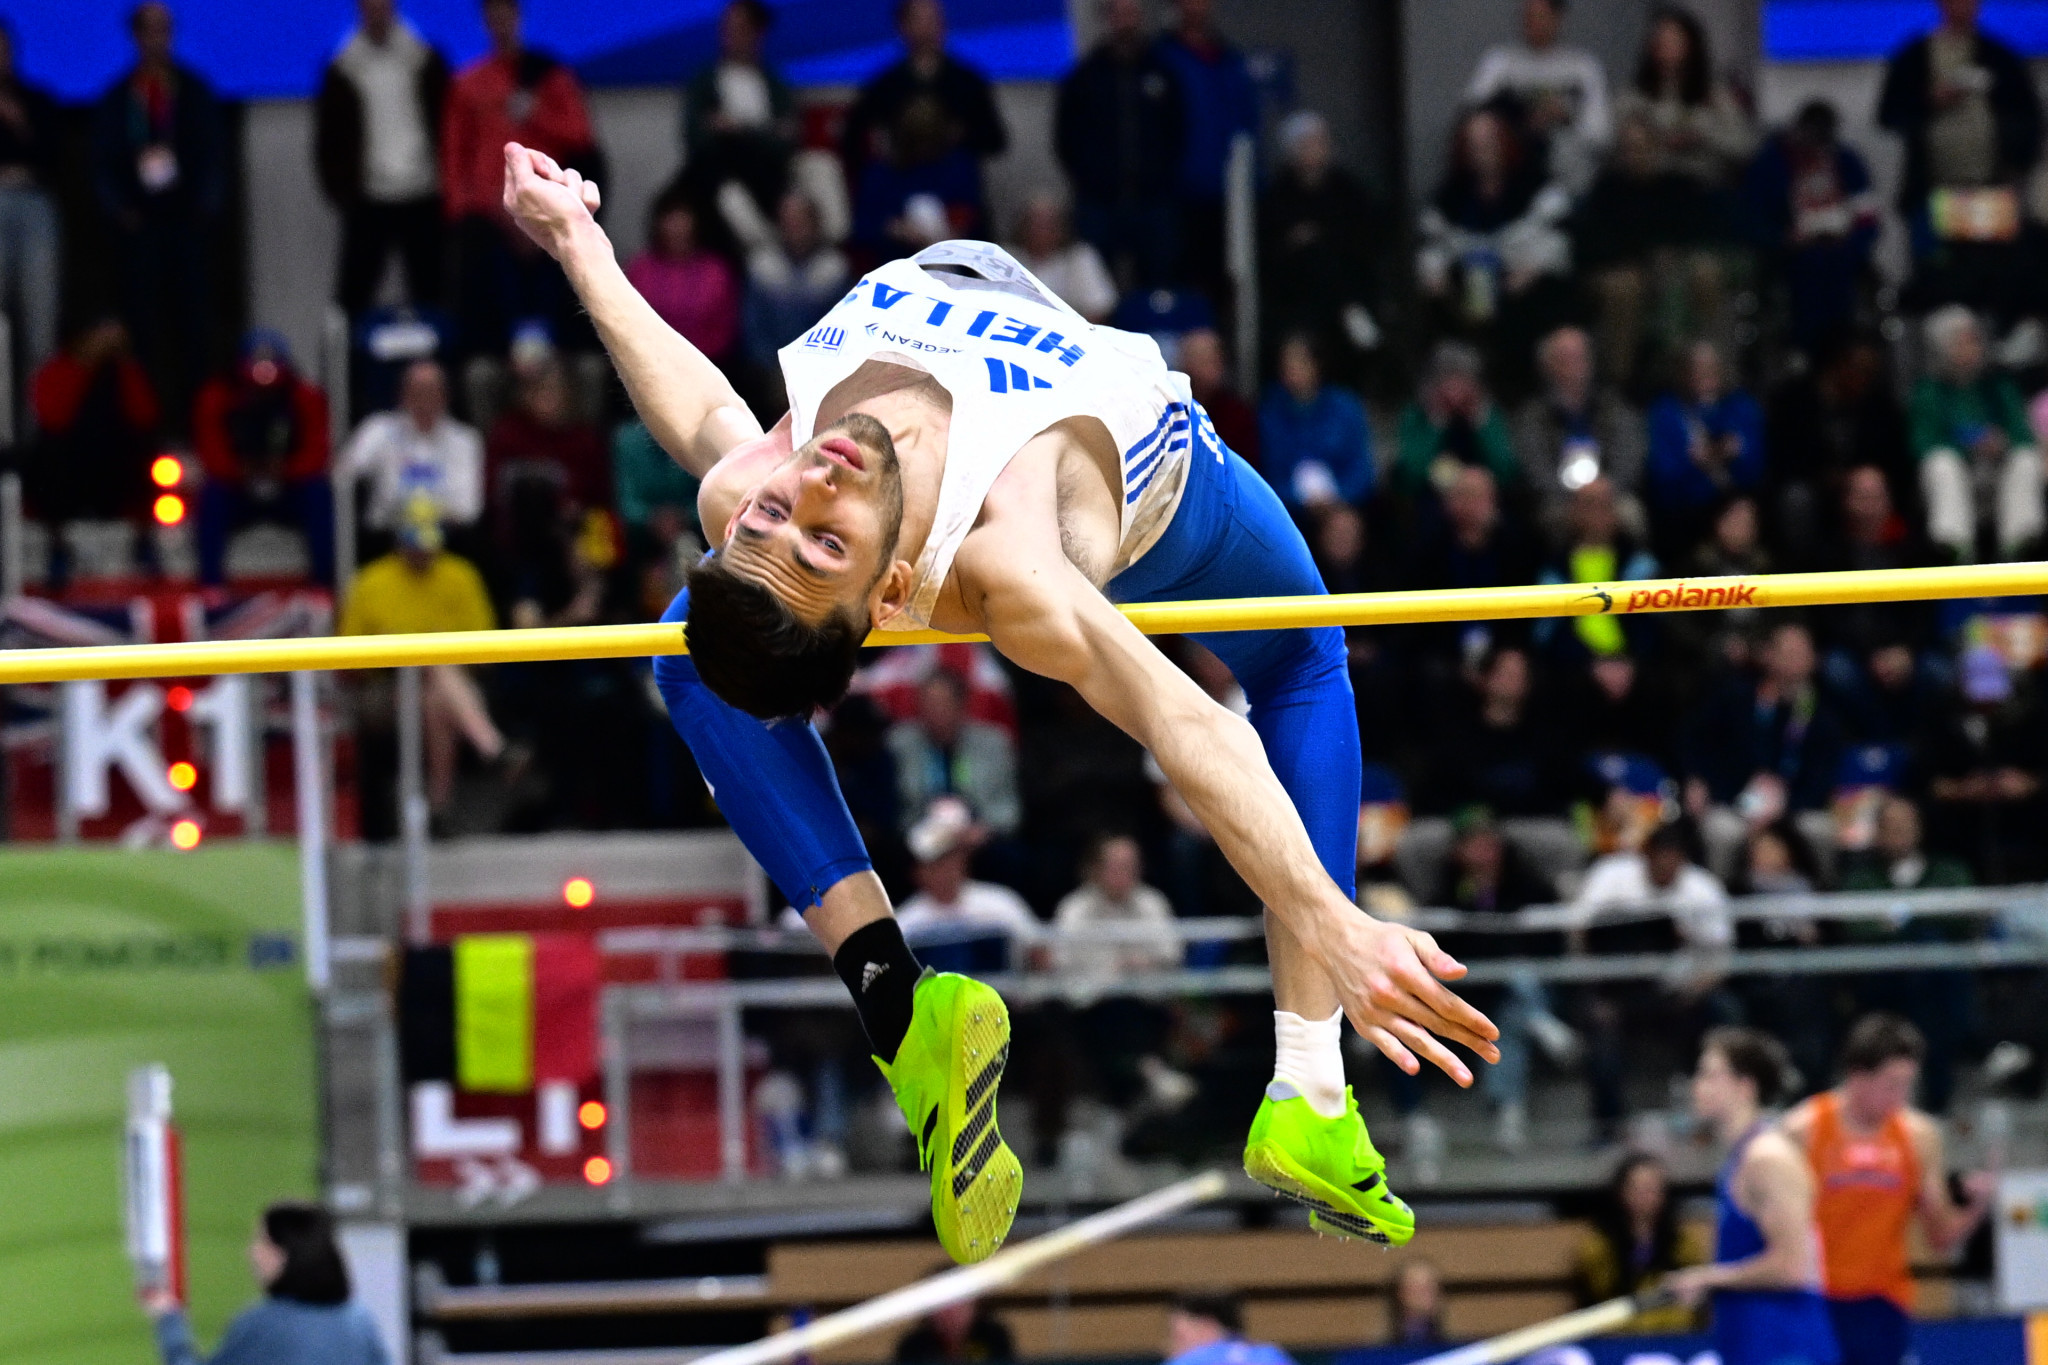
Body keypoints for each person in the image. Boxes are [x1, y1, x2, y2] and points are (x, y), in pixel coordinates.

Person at [503, 144, 1499, 1259]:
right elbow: (1192, 724)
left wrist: (576, 241)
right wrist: (1334, 923)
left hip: (982, 299)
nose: (808, 486)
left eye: (778, 520)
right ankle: (1310, 1094)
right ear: (887, 591)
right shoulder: (1013, 562)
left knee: (695, 651)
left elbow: (699, 413)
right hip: (1173, 509)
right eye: (824, 538)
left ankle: (899, 1014)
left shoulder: (755, 494)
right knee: (1303, 663)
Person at [1782, 1014, 1994, 1365]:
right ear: (1857, 1076)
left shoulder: (1918, 1137)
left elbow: (1940, 1236)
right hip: (1813, 1300)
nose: (1901, 1096)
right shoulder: (1803, 1131)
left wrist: (1977, 1206)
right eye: (1891, 1084)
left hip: (1881, 1304)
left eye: (1908, 1085)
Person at [1666, 1028, 1840, 1365]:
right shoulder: (1739, 1159)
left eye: (1709, 1075)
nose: (1697, 1086)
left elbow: (1791, 1266)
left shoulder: (1768, 1159)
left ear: (1744, 1086)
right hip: (1751, 1345)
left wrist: (1708, 1278)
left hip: (1787, 1349)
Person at [441, 0, 597, 354]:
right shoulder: (468, 84)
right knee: (474, 275)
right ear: (484, 20)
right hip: (488, 214)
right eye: (492, 14)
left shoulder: (547, 76)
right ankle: (483, 360)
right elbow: (455, 157)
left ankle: (572, 362)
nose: (500, 21)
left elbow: (580, 135)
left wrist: (535, 113)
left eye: (506, 13)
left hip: (548, 205)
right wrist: (471, 212)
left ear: (518, 16)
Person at [93, 1, 225, 414]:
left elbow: (213, 155)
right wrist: (121, 211)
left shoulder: (193, 91)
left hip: (185, 225)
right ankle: (147, 426)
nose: (156, 39)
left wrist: (203, 209)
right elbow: (102, 161)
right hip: (141, 229)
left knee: (194, 328)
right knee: (142, 330)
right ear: (135, 36)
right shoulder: (119, 97)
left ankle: (197, 423)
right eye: (148, 30)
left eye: (163, 29)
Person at [340, 496, 507, 814]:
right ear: (399, 540)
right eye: (415, 544)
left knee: (435, 696)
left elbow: (487, 653)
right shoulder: (371, 581)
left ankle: (436, 809)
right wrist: (398, 655)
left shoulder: (461, 575)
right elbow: (348, 661)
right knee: (433, 674)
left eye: (429, 544)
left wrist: (436, 655)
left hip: (452, 681)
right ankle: (490, 746)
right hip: (385, 687)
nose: (423, 553)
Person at [1878, 0, 2043, 318]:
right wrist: (1930, 101)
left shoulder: (1998, 55)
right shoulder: (1916, 55)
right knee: (1937, 281)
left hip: (1987, 189)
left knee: (1996, 280)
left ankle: (1989, 359)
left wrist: (2016, 162)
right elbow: (1889, 114)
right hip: (1933, 192)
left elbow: (2029, 117)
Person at [1417, 105, 1573, 380]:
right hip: (1470, 285)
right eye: (1473, 145)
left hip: (1527, 283)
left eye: (1489, 142)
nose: (1482, 151)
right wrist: (1433, 274)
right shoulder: (1450, 196)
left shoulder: (1536, 187)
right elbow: (1432, 246)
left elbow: (1560, 241)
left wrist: (1534, 268)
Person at [316, 0, 450, 317]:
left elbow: (446, 123)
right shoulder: (342, 67)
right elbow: (328, 139)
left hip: (423, 191)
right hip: (369, 198)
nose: (376, 9)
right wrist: (343, 190)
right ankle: (349, 366)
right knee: (353, 298)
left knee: (433, 292)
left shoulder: (424, 59)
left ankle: (438, 366)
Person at [841, 0, 1007, 252]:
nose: (929, 28)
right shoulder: (884, 86)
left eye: (935, 20)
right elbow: (853, 141)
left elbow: (995, 140)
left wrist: (960, 137)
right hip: (897, 190)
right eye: (920, 20)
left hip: (953, 187)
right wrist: (894, 225)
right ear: (903, 26)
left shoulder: (967, 82)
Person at [144, 1202, 390, 1365]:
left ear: (283, 1254)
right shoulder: (360, 1321)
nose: (251, 1252)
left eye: (261, 1241)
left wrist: (169, 1321)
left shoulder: (264, 1325)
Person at [1055, 0, 1183, 292]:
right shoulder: (1085, 75)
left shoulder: (1163, 72)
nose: (1126, 21)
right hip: (1099, 202)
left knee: (1158, 283)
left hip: (1153, 200)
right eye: (1119, 13)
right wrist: (1090, 179)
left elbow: (1178, 132)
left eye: (1132, 13)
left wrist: (1161, 177)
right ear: (1108, 19)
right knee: (1098, 288)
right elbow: (1066, 138)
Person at [191, 329, 336, 585]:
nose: (264, 373)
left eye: (271, 363)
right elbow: (210, 452)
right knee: (211, 496)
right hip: (238, 488)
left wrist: (284, 470)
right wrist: (241, 471)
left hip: (289, 488)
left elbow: (317, 452)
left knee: (319, 493)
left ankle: (323, 584)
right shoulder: (217, 395)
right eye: (256, 362)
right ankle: (210, 587)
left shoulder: (305, 396)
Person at [24, 318, 159, 579]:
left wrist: (124, 363)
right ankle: (58, 549)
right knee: (47, 454)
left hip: (112, 472)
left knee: (146, 451)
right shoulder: (57, 369)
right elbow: (53, 419)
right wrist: (83, 368)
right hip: (72, 473)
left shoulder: (124, 371)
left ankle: (144, 544)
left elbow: (146, 416)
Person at [1261, 110, 1389, 385]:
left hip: (1346, 278)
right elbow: (1272, 253)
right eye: (1306, 144)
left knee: (1323, 257)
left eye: (1320, 142)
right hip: (1296, 291)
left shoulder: (1349, 190)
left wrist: (1320, 236)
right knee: (1313, 259)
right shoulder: (1278, 196)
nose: (1315, 151)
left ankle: (1346, 310)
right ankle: (1348, 311)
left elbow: (1366, 239)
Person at [1743, 103, 1881, 352]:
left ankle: (1840, 349)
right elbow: (1753, 218)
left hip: (1842, 252)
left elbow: (1868, 219)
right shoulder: (1772, 163)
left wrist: (1852, 242)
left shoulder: (1847, 162)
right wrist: (1782, 238)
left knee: (1837, 266)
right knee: (1810, 267)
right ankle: (1805, 350)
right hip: (1791, 257)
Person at [1910, 305, 2041, 561]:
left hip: (1997, 476)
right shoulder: (1928, 392)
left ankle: (2016, 550)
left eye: (1973, 341)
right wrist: (1968, 445)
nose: (1969, 350)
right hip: (1955, 481)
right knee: (1941, 464)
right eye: (1959, 343)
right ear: (1941, 348)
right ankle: (1958, 552)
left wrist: (2002, 443)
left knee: (2026, 459)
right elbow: (1921, 444)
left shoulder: (1999, 387)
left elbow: (2024, 436)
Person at [1153, 0, 1258, 301]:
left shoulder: (1230, 60)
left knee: (1227, 280)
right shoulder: (1163, 58)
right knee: (1178, 275)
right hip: (1175, 195)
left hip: (1228, 195)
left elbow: (1245, 126)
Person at [1513, 325, 1645, 541]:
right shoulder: (1533, 415)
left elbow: (1630, 453)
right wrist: (1577, 498)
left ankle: (1637, 571)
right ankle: (1556, 573)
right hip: (1559, 499)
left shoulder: (1612, 405)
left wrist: (1606, 490)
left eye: (1580, 357)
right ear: (1548, 366)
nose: (1575, 366)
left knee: (1632, 513)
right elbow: (1533, 465)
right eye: (1565, 358)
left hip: (1610, 494)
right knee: (1548, 519)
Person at [1466, 0, 1611, 194]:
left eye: (1540, 16)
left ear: (1557, 18)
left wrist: (1566, 117)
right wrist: (1521, 119)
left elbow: (1601, 136)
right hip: (1512, 172)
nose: (1532, 23)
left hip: (1568, 177)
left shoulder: (1583, 68)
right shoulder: (1500, 63)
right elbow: (1471, 117)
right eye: (1527, 16)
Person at [678, 0, 797, 221]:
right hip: (720, 169)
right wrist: (763, 133)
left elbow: (787, 140)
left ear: (758, 33)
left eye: (741, 28)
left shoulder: (774, 83)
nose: (731, 36)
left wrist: (737, 130)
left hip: (768, 170)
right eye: (727, 28)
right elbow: (695, 136)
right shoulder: (706, 80)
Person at [338, 358, 485, 537]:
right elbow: (343, 475)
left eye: (431, 392)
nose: (423, 401)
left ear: (445, 396)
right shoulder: (377, 429)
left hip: (447, 539)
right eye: (416, 392)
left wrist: (416, 510)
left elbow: (468, 509)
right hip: (386, 539)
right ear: (402, 395)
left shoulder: (466, 440)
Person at [1646, 339, 1765, 560]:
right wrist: (1692, 460)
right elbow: (1661, 475)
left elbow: (1757, 467)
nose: (1703, 376)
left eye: (1710, 369)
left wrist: (1735, 451)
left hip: (1734, 500)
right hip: (1686, 506)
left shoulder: (1741, 406)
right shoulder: (1666, 412)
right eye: (1695, 369)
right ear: (1682, 373)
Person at [1618, 7, 1754, 200]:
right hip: (1649, 190)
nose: (1665, 45)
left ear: (1690, 43)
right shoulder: (1635, 96)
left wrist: (1701, 136)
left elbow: (1744, 147)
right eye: (1660, 39)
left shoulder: (1714, 94)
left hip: (1705, 189)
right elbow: (1618, 148)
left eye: (1673, 39)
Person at [894, 797, 1040, 972]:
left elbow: (1039, 952)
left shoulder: (1001, 903)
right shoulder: (906, 922)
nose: (945, 870)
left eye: (951, 860)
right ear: (918, 873)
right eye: (935, 865)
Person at [1574, 1154, 1707, 1332]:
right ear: (1621, 1192)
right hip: (1618, 1336)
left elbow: (1692, 1299)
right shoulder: (1599, 1247)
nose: (1646, 1197)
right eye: (1638, 1189)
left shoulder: (1682, 1244)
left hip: (1673, 1335)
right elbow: (1604, 1297)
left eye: (1653, 1189)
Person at [888, 667, 1021, 840]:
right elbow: (895, 808)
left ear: (962, 704)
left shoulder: (994, 743)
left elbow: (1009, 808)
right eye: (929, 703)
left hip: (981, 834)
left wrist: (981, 830)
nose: (936, 711)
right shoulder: (899, 743)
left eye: (943, 703)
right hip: (917, 833)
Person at [736, 188, 852, 383]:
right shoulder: (762, 268)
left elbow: (843, 329)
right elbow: (754, 329)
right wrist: (773, 368)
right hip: (769, 375)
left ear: (816, 223)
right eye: (788, 221)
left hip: (822, 373)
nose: (794, 227)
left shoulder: (835, 269)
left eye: (801, 221)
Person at [0, 22, 61, 380]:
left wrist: (20, 122)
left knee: (41, 321)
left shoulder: (37, 100)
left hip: (34, 204)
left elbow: (54, 156)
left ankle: (39, 431)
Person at [1258, 334, 1373, 520]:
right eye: (1286, 363)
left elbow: (1361, 470)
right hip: (1288, 511)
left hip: (1341, 505)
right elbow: (1267, 473)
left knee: (1344, 527)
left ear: (1316, 364)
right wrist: (1300, 500)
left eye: (1300, 362)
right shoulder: (1270, 412)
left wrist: (1337, 498)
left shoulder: (1345, 407)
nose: (1292, 370)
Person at [1393, 341, 1520, 504]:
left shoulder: (1489, 415)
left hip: (1484, 499)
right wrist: (1437, 422)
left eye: (1462, 379)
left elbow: (1505, 473)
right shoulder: (1415, 416)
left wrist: (1478, 422)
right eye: (1447, 379)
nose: (1455, 391)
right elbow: (1410, 476)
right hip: (1430, 500)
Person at [627, 191, 741, 368]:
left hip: (708, 367)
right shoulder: (641, 269)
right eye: (671, 221)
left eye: (683, 221)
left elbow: (725, 330)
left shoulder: (716, 272)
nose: (677, 230)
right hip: (649, 366)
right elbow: (630, 325)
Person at [1051, 832, 1179, 978]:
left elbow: (1172, 955)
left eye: (1130, 866)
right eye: (1117, 867)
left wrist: (1142, 963)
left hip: (1145, 994)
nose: (1124, 873)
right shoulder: (1074, 907)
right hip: (1092, 996)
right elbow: (1061, 962)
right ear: (1096, 869)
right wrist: (1107, 972)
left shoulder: (1153, 902)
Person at [1006, 193, 1117, 324]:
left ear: (1062, 227)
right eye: (1035, 224)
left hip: (1069, 335)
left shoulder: (1081, 256)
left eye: (1049, 225)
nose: (1041, 231)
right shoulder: (1006, 256)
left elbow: (1099, 309)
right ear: (1022, 227)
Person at [1179, 327, 1256, 468]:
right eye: (1197, 360)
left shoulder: (1238, 415)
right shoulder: (1171, 413)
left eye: (1209, 360)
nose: (1202, 370)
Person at [1163, 1292, 1295, 1365]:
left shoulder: (1187, 1362)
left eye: (1178, 1336)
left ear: (1208, 1327)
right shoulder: (1271, 1356)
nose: (1168, 1347)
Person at [1393, 1260, 1447, 1345]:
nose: (1425, 1293)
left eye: (1430, 1286)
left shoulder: (1456, 1347)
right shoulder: (1380, 1345)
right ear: (1401, 1293)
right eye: (1416, 1287)